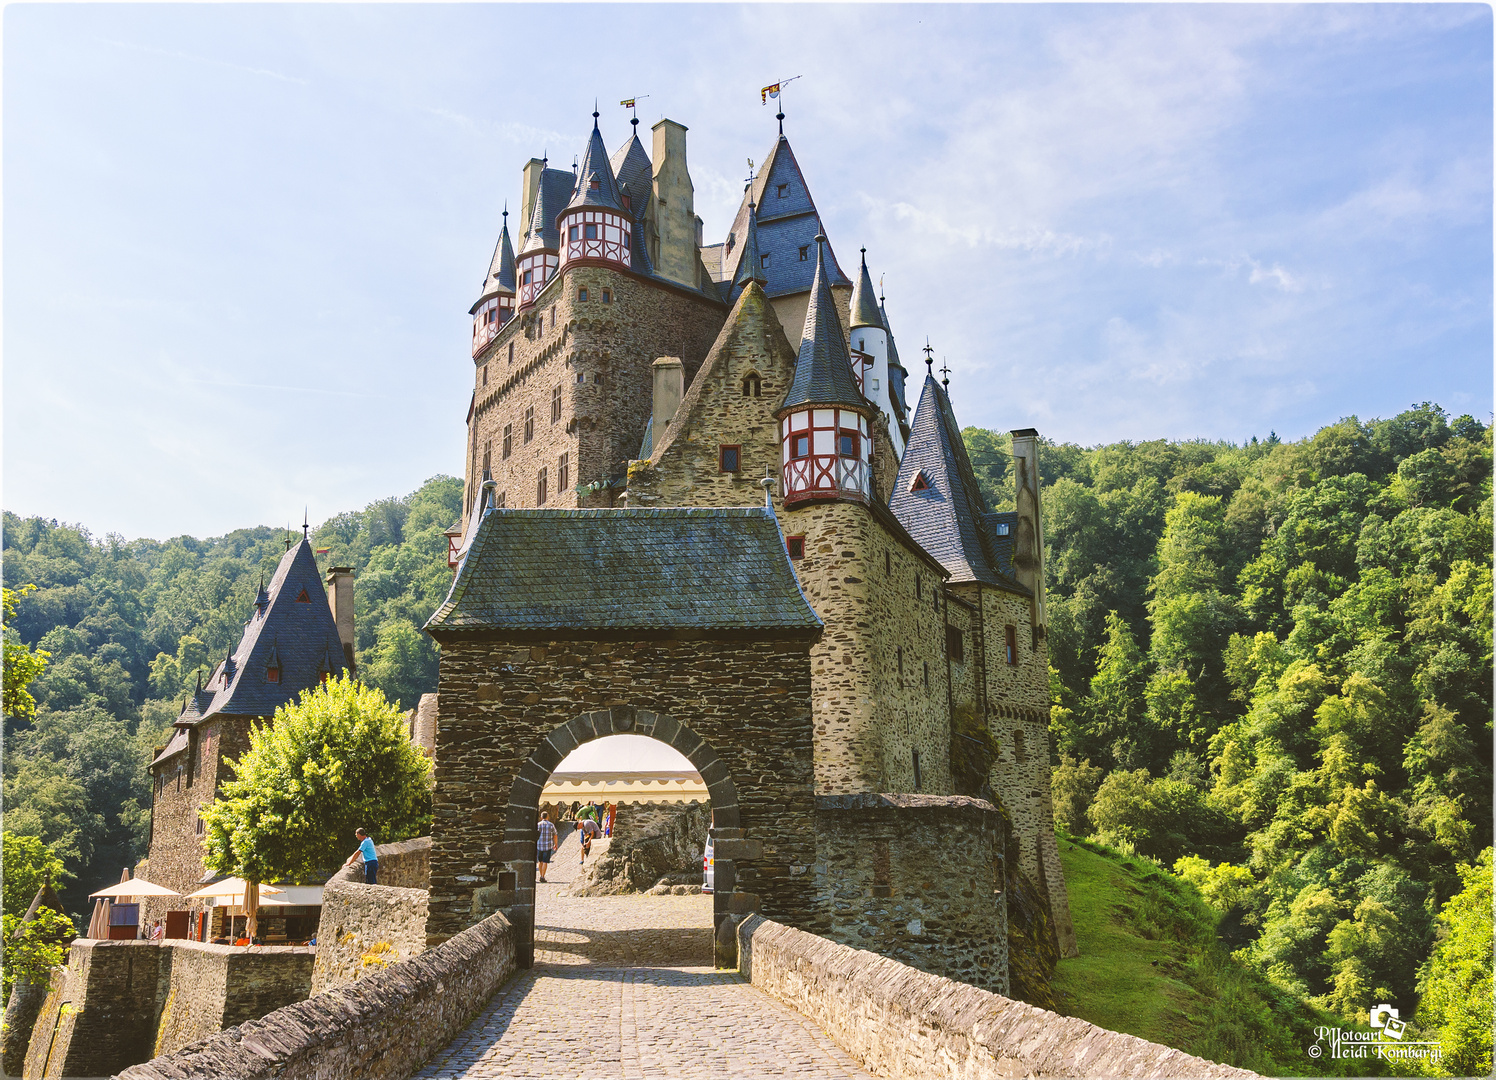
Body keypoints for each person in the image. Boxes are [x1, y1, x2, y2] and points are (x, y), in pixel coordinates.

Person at [537, 811, 558, 882]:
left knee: (540, 861)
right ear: (548, 817)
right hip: (548, 846)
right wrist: (556, 844)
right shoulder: (551, 825)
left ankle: (540, 875)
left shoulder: (538, 825)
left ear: (541, 817)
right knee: (545, 861)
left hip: (539, 845)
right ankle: (543, 876)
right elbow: (555, 835)